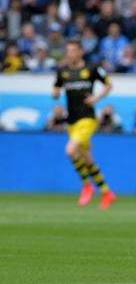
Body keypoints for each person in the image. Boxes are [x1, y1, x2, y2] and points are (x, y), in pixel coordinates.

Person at [52, 39, 116, 210]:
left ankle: (86, 185)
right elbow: (55, 91)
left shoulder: (92, 68)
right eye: (68, 50)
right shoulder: (63, 72)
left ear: (81, 52)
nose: (70, 53)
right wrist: (55, 92)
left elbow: (109, 85)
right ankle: (106, 192)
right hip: (71, 120)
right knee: (87, 158)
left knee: (70, 150)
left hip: (87, 119)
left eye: (73, 50)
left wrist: (96, 98)